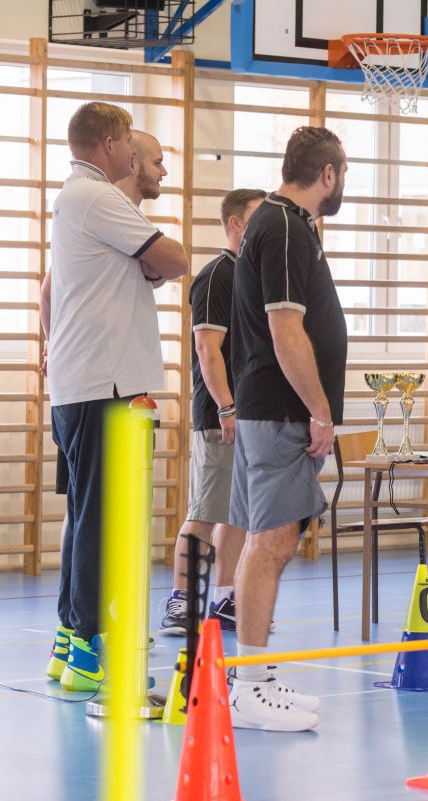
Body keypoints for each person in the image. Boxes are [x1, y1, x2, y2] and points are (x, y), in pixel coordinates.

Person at [44, 105, 188, 691]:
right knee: (101, 520)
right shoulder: (99, 197)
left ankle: (68, 641)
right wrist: (152, 263)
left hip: (83, 383)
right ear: (108, 143)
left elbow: (51, 292)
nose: (134, 151)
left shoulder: (78, 199)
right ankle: (86, 648)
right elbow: (176, 259)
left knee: (85, 515)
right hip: (104, 385)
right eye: (129, 140)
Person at [226, 126, 348, 731]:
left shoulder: (290, 225)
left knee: (269, 541)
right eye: (342, 174)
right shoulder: (281, 226)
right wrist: (320, 411)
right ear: (327, 174)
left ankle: (256, 673)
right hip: (279, 410)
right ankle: (248, 687)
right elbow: (284, 329)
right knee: (270, 542)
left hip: (278, 411)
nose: (342, 184)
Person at [159, 188, 267, 636]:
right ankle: (181, 599)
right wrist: (226, 405)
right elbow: (207, 347)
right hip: (221, 414)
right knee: (204, 511)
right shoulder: (216, 276)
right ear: (236, 224)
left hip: (252, 414)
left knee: (237, 511)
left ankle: (224, 599)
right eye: (257, 218)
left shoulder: (253, 275)